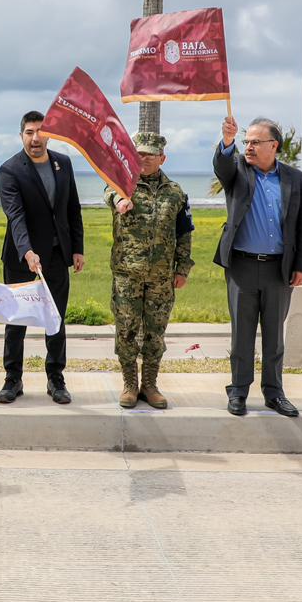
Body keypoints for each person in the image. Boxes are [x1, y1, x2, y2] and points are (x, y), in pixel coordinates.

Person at [213, 115, 302, 418]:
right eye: (247, 142)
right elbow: (222, 165)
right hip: (242, 268)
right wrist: (227, 142)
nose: (250, 147)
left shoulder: (296, 179)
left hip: (278, 270)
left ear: (274, 145)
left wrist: (301, 266)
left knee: (274, 335)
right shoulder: (238, 172)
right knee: (241, 334)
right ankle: (239, 391)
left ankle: (274, 392)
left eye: (256, 142)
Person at [0, 111, 85, 405]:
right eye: (29, 132)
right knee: (16, 319)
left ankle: (56, 378)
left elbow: (72, 207)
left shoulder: (64, 163)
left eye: (41, 132)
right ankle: (13, 379)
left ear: (50, 134)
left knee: (55, 318)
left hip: (58, 254)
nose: (36, 138)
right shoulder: (10, 169)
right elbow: (16, 215)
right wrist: (27, 250)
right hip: (21, 256)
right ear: (21, 135)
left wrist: (77, 247)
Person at [106, 132, 194, 409]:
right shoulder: (121, 184)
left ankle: (150, 385)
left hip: (160, 277)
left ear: (162, 158)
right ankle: (130, 385)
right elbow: (110, 195)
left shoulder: (176, 193)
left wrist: (183, 268)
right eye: (139, 154)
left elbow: (184, 233)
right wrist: (120, 202)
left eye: (150, 155)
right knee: (127, 330)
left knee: (156, 332)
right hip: (127, 275)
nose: (143, 159)